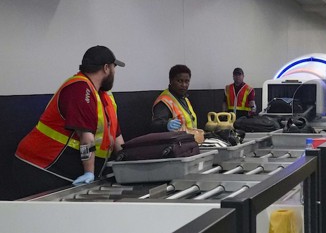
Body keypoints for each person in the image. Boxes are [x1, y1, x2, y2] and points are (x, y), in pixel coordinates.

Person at [13, 45, 125, 199]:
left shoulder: (105, 98)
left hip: (63, 171)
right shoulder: (79, 89)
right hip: (40, 166)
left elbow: (117, 141)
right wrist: (89, 173)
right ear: (106, 68)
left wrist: (129, 164)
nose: (115, 72)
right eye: (114, 67)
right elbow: (86, 138)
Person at [152, 64, 197, 132]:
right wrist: (166, 125)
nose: (184, 85)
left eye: (187, 81)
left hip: (189, 140)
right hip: (175, 141)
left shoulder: (184, 98)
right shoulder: (164, 101)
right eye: (180, 81)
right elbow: (155, 124)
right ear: (171, 81)